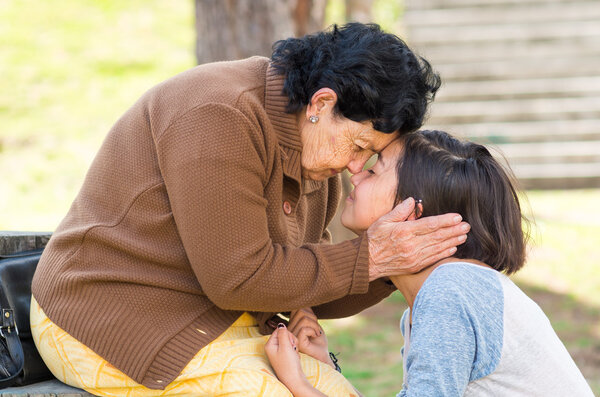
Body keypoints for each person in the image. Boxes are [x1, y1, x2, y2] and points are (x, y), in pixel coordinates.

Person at [30, 23, 469, 396]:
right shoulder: (220, 115)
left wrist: (400, 260)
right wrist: (372, 256)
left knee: (335, 389)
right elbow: (236, 277)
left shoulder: (315, 154)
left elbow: (306, 279)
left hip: (215, 319)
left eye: (369, 155)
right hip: (113, 317)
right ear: (321, 103)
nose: (356, 168)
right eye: (357, 146)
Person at [265, 130, 594, 396]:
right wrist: (325, 366)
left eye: (376, 170)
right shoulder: (441, 295)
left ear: (412, 213)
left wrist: (298, 385)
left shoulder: (450, 292)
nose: (357, 174)